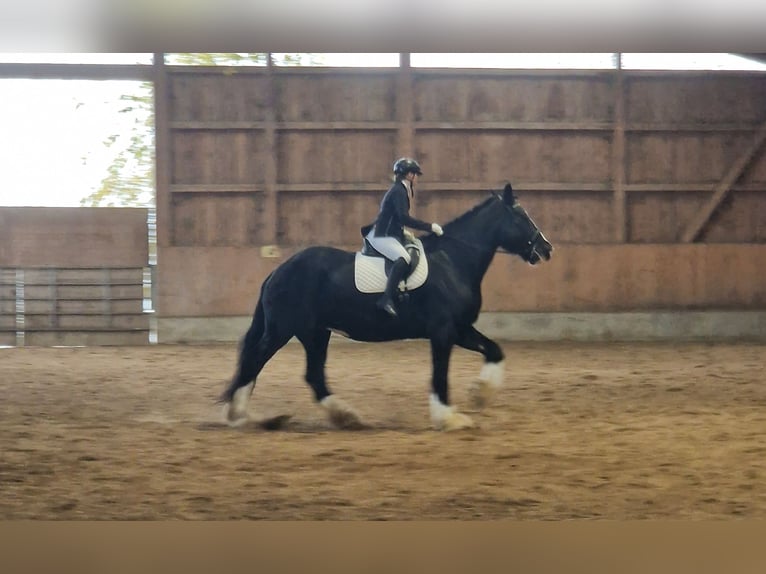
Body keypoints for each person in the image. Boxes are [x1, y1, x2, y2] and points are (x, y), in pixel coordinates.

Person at [365, 157, 444, 318]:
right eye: (416, 174)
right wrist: (430, 227)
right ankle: (386, 299)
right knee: (403, 258)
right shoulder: (398, 191)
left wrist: (403, 233)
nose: (417, 178)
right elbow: (403, 217)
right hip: (381, 235)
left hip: (390, 233)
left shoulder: (401, 189)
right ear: (409, 175)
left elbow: (395, 218)